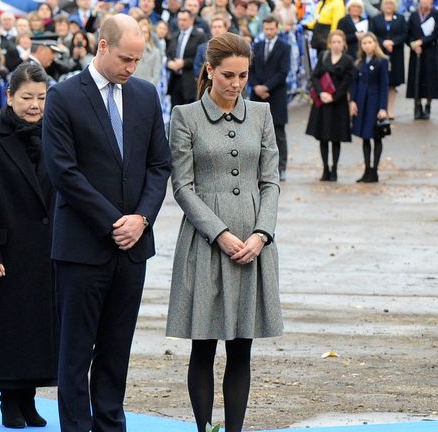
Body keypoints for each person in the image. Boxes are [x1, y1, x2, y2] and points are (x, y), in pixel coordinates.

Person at [42, 14, 171, 432]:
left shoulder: (146, 96)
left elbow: (159, 165)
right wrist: (114, 221)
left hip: (133, 248)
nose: (131, 68)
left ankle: (111, 424)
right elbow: (64, 172)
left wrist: (142, 219)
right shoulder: (62, 96)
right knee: (76, 351)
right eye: (125, 59)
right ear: (102, 46)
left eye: (137, 60)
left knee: (117, 349)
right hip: (83, 247)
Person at [166, 31, 283, 432]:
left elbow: (271, 181)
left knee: (241, 348)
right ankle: (203, 429)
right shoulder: (185, 116)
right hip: (206, 242)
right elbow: (182, 186)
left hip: (253, 241)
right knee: (203, 346)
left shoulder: (262, 115)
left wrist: (261, 233)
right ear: (209, 70)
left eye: (243, 76)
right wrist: (219, 233)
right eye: (228, 75)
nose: (235, 84)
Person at [0, 62, 56, 430]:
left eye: (41, 97)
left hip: (48, 249)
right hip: (7, 250)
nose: (35, 105)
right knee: (8, 328)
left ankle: (30, 399)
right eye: (27, 98)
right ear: (9, 97)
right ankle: (9, 400)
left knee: (39, 327)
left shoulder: (56, 135)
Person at [305, 30, 354, 181]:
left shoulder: (348, 60)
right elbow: (314, 76)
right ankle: (325, 168)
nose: (336, 45)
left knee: (336, 137)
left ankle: (334, 169)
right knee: (323, 137)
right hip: (322, 103)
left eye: (339, 42)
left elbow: (347, 82)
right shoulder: (323, 56)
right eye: (334, 42)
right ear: (330, 43)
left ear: (343, 43)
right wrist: (321, 93)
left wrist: (334, 96)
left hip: (338, 104)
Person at [249, 16, 291, 181]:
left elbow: (283, 71)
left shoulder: (284, 47)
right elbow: (249, 69)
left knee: (278, 133)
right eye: (266, 29)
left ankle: (281, 167)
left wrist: (266, 87)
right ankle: (259, 168)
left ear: (277, 28)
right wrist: (256, 87)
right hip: (257, 96)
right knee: (256, 134)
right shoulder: (256, 46)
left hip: (276, 96)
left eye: (271, 29)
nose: (268, 32)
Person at [350, 32, 389, 183]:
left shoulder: (381, 61)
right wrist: (352, 101)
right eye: (364, 43)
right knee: (365, 137)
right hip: (361, 102)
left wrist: (383, 107)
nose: (367, 45)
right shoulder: (359, 62)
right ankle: (366, 170)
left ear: (375, 44)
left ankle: (375, 170)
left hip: (374, 102)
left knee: (376, 136)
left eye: (369, 42)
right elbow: (354, 83)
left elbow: (384, 86)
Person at [369, 0, 407, 119]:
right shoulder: (376, 19)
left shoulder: (400, 18)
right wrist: (383, 43)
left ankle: (390, 109)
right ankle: (380, 108)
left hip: (395, 54)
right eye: (386, 4)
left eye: (391, 4)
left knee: (392, 83)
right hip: (379, 53)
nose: (388, 6)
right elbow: (372, 34)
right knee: (379, 81)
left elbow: (404, 33)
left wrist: (393, 42)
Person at [406, 0, 438, 120]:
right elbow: (408, 33)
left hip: (430, 52)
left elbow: (437, 32)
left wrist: (422, 42)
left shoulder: (436, 14)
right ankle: (417, 106)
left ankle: (428, 105)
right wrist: (413, 44)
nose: (425, 3)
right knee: (416, 78)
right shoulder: (414, 15)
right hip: (416, 52)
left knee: (429, 79)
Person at [167, 9, 209, 108]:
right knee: (174, 110)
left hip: (190, 81)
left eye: (184, 20)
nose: (181, 22)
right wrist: (169, 63)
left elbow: (202, 58)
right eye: (179, 20)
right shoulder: (175, 35)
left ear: (191, 20)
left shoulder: (200, 36)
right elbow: (168, 54)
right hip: (175, 80)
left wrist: (184, 63)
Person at [133, 17, 163, 85]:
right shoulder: (130, 50)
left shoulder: (155, 52)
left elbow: (156, 75)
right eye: (141, 32)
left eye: (145, 32)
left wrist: (148, 88)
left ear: (149, 35)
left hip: (148, 86)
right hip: (131, 85)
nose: (143, 34)